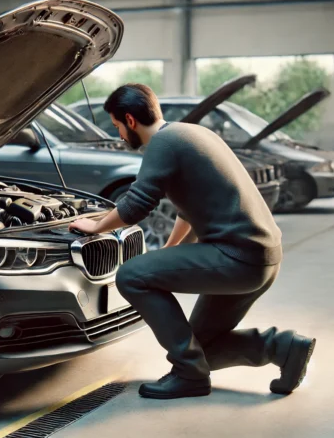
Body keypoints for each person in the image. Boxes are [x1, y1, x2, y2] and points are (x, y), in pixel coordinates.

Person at [68, 84, 316, 400]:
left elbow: (136, 205)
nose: (118, 134)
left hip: (238, 258)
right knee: (200, 349)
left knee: (131, 275)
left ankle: (188, 376)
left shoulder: (163, 144)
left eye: (117, 126)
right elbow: (188, 210)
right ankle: (284, 348)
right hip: (263, 257)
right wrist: (170, 250)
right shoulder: (190, 134)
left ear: (130, 120)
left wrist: (95, 226)